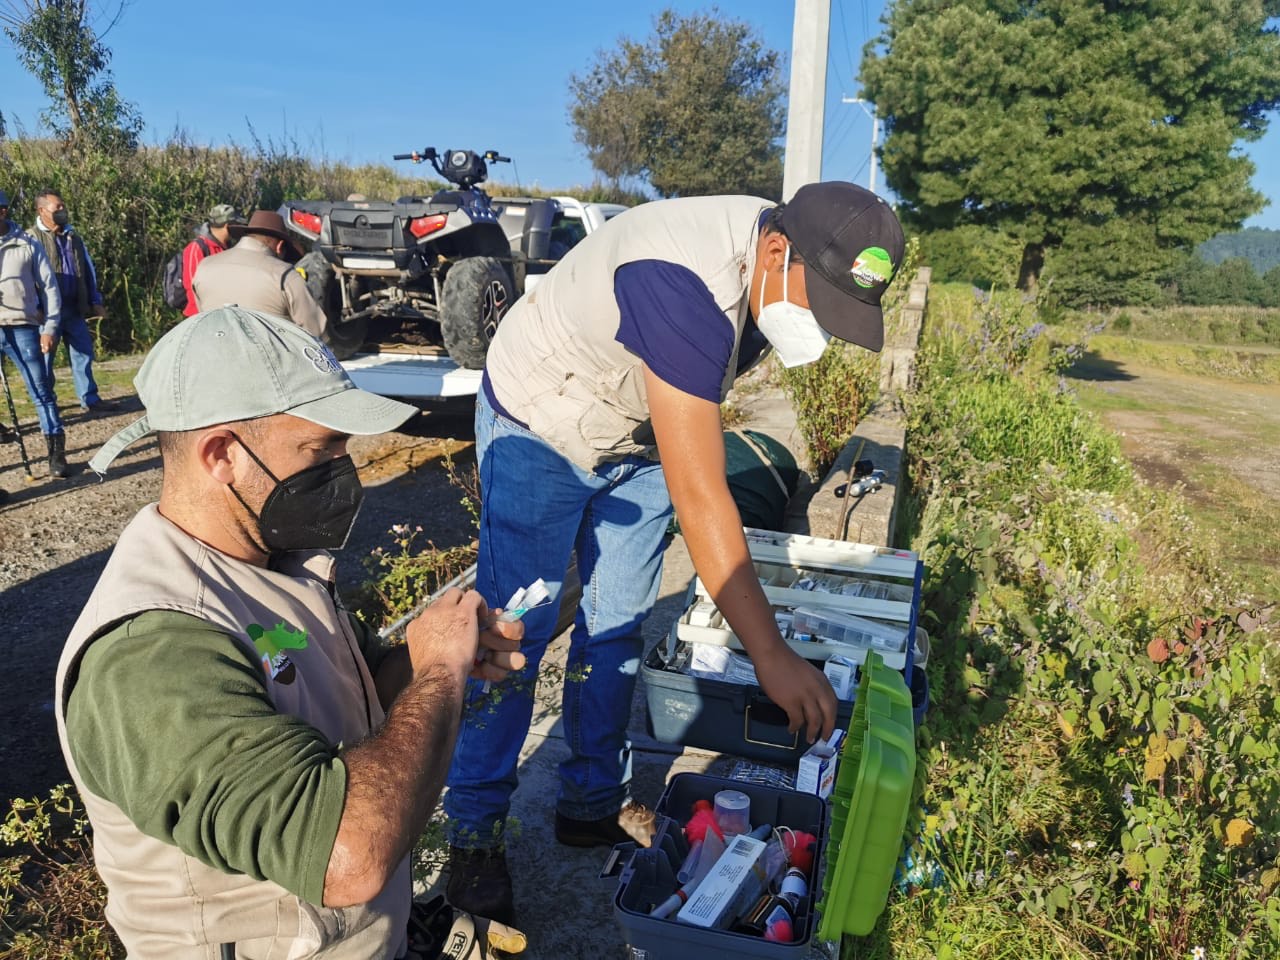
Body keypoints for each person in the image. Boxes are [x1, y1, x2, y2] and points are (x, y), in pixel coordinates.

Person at [444, 181, 905, 924]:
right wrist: (773, 656)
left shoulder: (764, 273)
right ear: (777, 249)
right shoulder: (682, 278)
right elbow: (702, 500)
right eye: (819, 303)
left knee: (619, 623)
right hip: (543, 417)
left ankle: (590, 802)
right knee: (509, 638)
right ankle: (471, 840)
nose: (819, 327)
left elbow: (687, 431)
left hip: (638, 431)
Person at [56, 307, 528, 958]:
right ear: (221, 455)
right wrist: (442, 675)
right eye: (321, 449)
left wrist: (425, 658)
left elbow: (340, 688)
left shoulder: (273, 568)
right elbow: (347, 858)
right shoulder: (152, 651)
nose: (346, 470)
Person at [0, 188, 70, 478]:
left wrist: (50, 327)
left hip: (24, 327)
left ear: (3, 211)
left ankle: (56, 453)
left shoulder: (26, 244)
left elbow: (50, 288)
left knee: (40, 390)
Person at [31, 190, 117, 416]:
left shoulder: (73, 237)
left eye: (63, 206)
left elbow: (87, 270)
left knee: (83, 354)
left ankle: (90, 398)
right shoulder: (30, 238)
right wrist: (34, 307)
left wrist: (94, 300)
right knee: (45, 359)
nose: (62, 211)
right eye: (57, 207)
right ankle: (48, 404)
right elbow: (25, 276)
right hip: (46, 311)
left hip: (74, 307)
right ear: (42, 210)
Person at [192, 210, 328, 337]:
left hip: (215, 356)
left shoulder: (204, 267)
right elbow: (314, 331)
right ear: (280, 247)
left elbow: (201, 314)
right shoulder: (285, 275)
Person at [181, 202, 242, 317]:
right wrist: (201, 317)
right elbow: (191, 286)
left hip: (225, 313)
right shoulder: (197, 248)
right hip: (201, 316)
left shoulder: (228, 247)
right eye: (235, 223)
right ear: (227, 225)